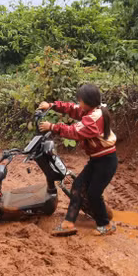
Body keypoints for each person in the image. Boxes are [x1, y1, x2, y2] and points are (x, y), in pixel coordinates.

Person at [38, 83, 117, 237]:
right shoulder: (92, 109)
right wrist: (52, 106)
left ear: (88, 101)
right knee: (78, 185)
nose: (78, 103)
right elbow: (72, 108)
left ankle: (106, 224)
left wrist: (53, 127)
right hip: (97, 159)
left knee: (94, 193)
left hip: (106, 161)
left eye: (80, 100)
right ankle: (68, 223)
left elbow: (75, 132)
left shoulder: (94, 118)